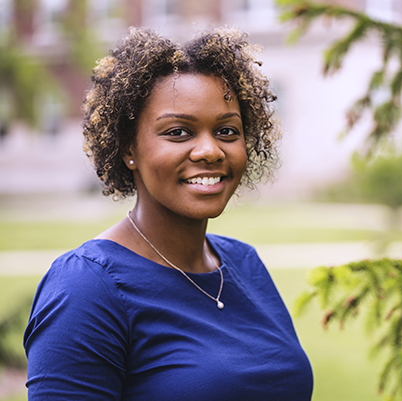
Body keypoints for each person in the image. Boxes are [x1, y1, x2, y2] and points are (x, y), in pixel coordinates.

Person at [23, 27, 313, 400]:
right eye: (178, 132)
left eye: (227, 130)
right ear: (129, 148)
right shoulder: (87, 287)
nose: (210, 150)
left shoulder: (245, 263)